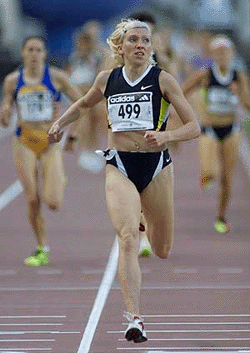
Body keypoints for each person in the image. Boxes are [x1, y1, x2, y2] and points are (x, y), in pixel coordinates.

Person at [48, 19, 200, 343]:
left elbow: (194, 127)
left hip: (157, 165)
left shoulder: (164, 80)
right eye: (134, 40)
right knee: (128, 238)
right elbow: (84, 104)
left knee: (162, 250)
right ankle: (135, 318)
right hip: (119, 163)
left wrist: (167, 135)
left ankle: (146, 221)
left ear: (151, 47)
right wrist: (60, 123)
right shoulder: (107, 80)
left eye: (146, 40)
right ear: (121, 47)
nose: (141, 45)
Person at [0, 36, 82, 266]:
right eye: (30, 49)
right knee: (32, 198)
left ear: (45, 54)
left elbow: (81, 105)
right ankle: (41, 247)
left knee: (53, 203)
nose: (34, 54)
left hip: (50, 142)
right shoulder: (12, 80)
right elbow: (6, 115)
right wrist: (5, 113)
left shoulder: (57, 78)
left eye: (38, 50)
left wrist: (71, 133)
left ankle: (57, 179)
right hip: (24, 141)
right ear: (23, 53)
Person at [182, 35, 250, 234]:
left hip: (231, 129)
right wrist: (193, 110)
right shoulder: (205, 74)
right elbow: (180, 92)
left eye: (225, 51)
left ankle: (221, 217)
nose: (222, 55)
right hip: (209, 128)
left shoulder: (238, 76)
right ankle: (205, 176)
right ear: (213, 54)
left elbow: (247, 104)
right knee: (210, 172)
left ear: (232, 54)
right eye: (218, 52)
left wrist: (239, 92)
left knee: (227, 179)